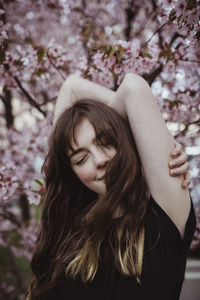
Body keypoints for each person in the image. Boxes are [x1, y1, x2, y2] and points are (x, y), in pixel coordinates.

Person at [28, 74, 196, 300]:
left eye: (105, 141)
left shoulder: (163, 216)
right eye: (80, 159)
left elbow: (133, 88)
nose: (99, 160)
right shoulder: (68, 230)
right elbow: (70, 87)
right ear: (74, 175)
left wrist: (151, 133)